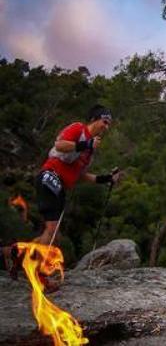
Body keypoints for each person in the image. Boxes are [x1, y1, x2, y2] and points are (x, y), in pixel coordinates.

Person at [2, 104, 122, 279]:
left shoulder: (89, 152)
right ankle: (37, 274)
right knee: (52, 233)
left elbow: (79, 174)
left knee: (52, 235)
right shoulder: (78, 129)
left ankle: (12, 254)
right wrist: (86, 144)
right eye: (105, 122)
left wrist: (106, 179)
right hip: (50, 178)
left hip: (60, 186)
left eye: (109, 124)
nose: (106, 127)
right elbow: (59, 145)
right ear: (94, 119)